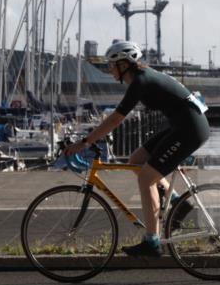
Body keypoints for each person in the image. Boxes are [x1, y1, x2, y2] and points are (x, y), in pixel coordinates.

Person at [64, 40, 210, 257]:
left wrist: (85, 142)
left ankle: (152, 242)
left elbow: (116, 119)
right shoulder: (143, 78)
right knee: (136, 159)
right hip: (181, 124)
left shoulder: (140, 82)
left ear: (124, 65)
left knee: (146, 178)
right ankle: (178, 202)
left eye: (112, 65)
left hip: (189, 129)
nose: (109, 69)